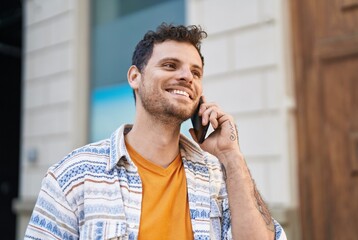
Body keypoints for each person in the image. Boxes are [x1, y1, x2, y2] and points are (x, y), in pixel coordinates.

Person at [24, 23, 287, 240]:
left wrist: (231, 155)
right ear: (134, 77)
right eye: (171, 65)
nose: (187, 77)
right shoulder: (73, 176)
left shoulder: (216, 175)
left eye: (196, 72)